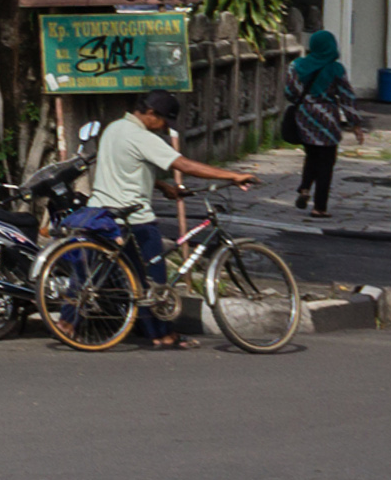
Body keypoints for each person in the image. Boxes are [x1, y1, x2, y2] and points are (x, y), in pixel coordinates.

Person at [85, 92, 248, 344]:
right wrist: (232, 176)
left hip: (101, 212)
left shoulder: (114, 128)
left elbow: (128, 167)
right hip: (135, 218)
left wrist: (162, 187)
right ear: (151, 114)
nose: (163, 128)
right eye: (163, 122)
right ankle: (164, 335)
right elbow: (184, 165)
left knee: (136, 281)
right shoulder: (142, 137)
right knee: (155, 281)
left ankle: (147, 332)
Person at [286, 30, 353, 217]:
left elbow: (289, 92)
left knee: (312, 154)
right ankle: (319, 207)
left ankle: (305, 188)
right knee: (326, 162)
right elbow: (347, 96)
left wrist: (305, 101)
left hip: (304, 116)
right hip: (328, 119)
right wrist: (355, 123)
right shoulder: (336, 69)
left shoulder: (296, 65)